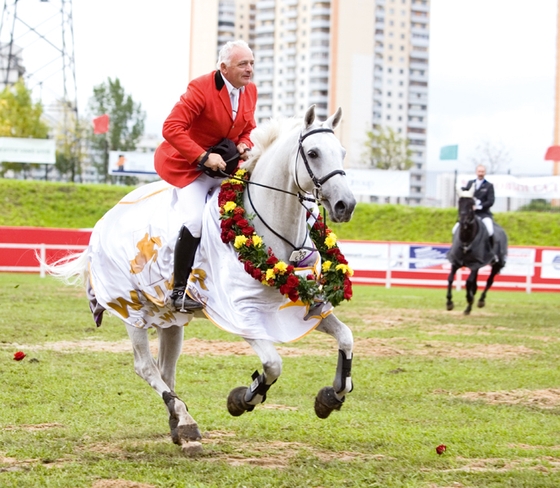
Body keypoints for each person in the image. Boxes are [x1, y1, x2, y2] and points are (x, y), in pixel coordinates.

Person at [154, 40, 257, 312]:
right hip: (190, 167)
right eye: (243, 64)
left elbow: (248, 127)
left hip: (224, 167)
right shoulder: (201, 87)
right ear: (223, 67)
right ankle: (178, 292)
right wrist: (202, 156)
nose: (250, 69)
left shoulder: (251, 90)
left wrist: (246, 144)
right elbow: (171, 127)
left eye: (251, 63)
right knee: (196, 222)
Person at [460, 164, 497, 260]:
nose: (480, 173)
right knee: (456, 229)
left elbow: (490, 201)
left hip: (483, 214)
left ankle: (492, 253)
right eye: (479, 171)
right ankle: (457, 250)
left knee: (490, 230)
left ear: (485, 173)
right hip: (470, 215)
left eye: (482, 172)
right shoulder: (470, 183)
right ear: (476, 172)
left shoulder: (489, 186)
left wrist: (479, 207)